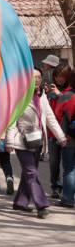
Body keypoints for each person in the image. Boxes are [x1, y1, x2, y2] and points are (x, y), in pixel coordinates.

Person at [5, 68, 66, 219]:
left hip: (38, 141)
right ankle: (41, 204)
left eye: (39, 77)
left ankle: (20, 202)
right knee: (32, 172)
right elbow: (12, 121)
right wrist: (9, 141)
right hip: (22, 140)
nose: (37, 80)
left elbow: (50, 119)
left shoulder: (42, 96)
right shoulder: (19, 97)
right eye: (33, 77)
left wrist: (61, 137)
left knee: (28, 173)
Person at [46, 64, 71, 199]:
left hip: (68, 133)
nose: (59, 79)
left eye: (61, 76)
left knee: (68, 164)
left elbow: (69, 108)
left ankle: (68, 190)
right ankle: (55, 187)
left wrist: (60, 95)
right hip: (52, 133)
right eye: (56, 76)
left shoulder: (70, 90)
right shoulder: (52, 90)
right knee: (53, 162)